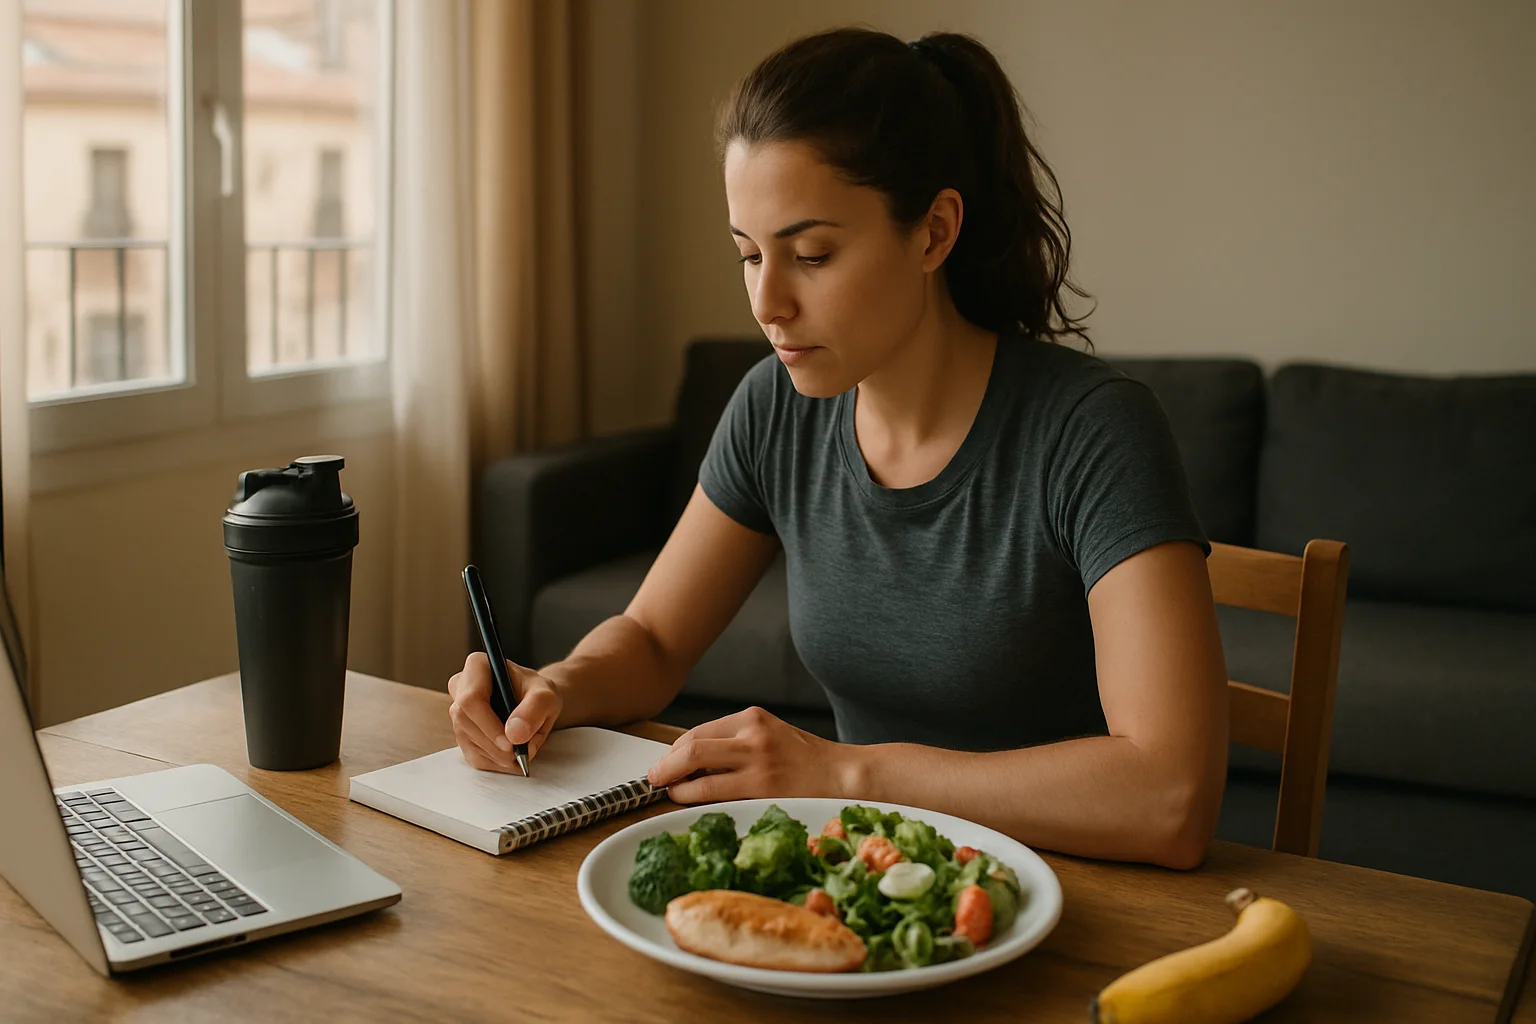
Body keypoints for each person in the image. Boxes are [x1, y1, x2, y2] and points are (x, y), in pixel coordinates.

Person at [447, 27, 1229, 869]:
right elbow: (653, 638)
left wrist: (842, 773)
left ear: (933, 232)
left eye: (811, 255)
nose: (767, 302)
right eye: (749, 255)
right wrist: (557, 686)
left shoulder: (1092, 430)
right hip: (869, 880)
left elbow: (1170, 796)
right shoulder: (775, 409)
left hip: (1078, 889)